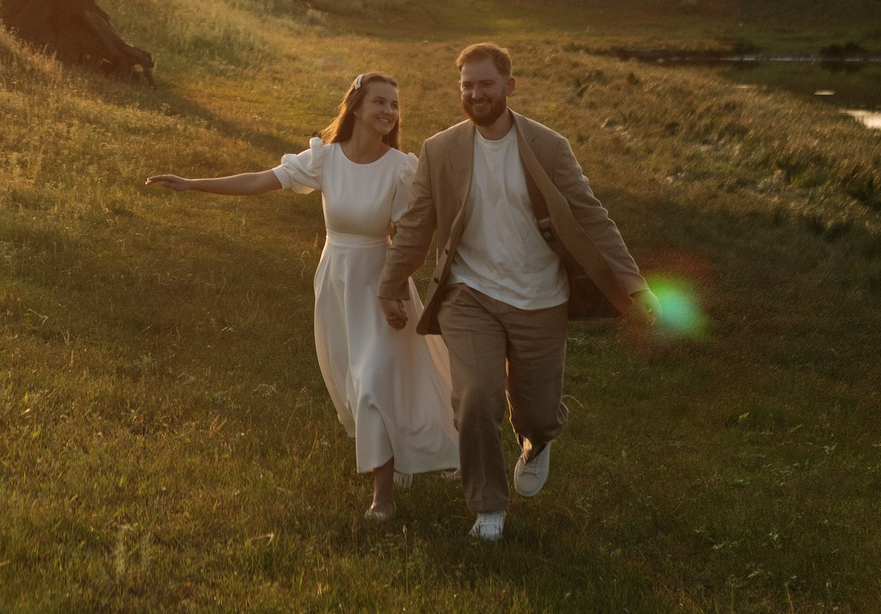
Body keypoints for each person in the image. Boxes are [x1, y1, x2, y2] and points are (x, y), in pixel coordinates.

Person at [145, 73, 459, 518]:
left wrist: (393, 289)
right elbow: (261, 180)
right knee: (357, 383)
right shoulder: (325, 159)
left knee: (374, 382)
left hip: (381, 283)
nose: (389, 112)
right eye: (380, 102)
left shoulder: (399, 168)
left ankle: (383, 496)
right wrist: (194, 183)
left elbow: (412, 234)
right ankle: (396, 453)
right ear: (356, 107)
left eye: (394, 105)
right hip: (336, 282)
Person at [380, 42, 652, 542]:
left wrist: (634, 285)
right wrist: (390, 284)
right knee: (476, 397)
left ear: (508, 85)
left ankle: (538, 439)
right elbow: (417, 224)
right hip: (469, 293)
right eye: (467, 85)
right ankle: (488, 507)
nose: (475, 94)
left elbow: (591, 215)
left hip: (540, 297)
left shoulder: (549, 146)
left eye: (485, 84)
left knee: (537, 412)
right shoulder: (440, 150)